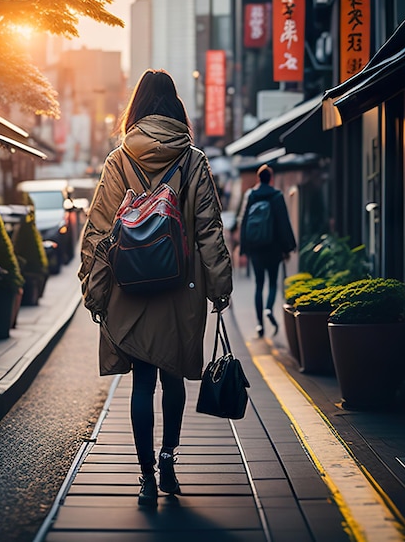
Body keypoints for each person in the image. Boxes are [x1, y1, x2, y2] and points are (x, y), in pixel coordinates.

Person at [78, 69, 233, 507]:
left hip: (130, 288)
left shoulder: (118, 159)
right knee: (174, 376)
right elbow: (208, 230)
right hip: (180, 287)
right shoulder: (194, 160)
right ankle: (168, 458)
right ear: (176, 108)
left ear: (137, 108)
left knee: (142, 382)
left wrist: (94, 289)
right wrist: (219, 285)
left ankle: (145, 476)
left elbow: (98, 232)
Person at [237, 164, 296, 337]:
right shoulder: (277, 196)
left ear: (257, 178)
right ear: (271, 179)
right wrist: (288, 247)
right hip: (274, 248)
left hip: (256, 248)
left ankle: (260, 325)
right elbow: (283, 223)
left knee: (258, 285)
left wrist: (244, 247)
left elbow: (245, 221)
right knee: (272, 284)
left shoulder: (251, 195)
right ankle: (269, 309)